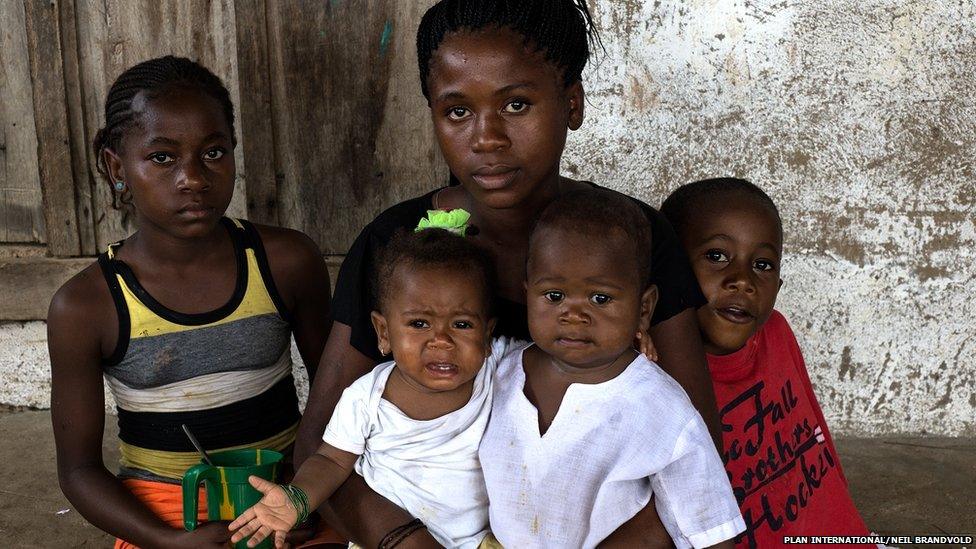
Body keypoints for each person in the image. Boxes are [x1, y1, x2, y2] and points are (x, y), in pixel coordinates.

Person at [296, 1, 719, 544]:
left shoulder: (630, 238)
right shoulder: (397, 245)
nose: (486, 138)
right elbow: (319, 448)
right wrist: (406, 540)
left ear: (572, 103)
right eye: (456, 112)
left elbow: (696, 449)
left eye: (516, 104)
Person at [47, 56, 333, 549]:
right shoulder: (86, 305)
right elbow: (78, 470)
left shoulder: (285, 261)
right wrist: (165, 540)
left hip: (285, 492)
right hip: (160, 511)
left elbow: (342, 397)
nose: (193, 178)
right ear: (117, 167)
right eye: (162, 157)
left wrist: (306, 492)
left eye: (214, 153)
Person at [480, 188, 744, 548]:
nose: (573, 314)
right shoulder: (499, 372)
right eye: (554, 296)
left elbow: (710, 528)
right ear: (528, 294)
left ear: (644, 308)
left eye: (600, 298)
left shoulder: (659, 406)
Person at [228, 227, 508, 549]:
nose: (441, 340)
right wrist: (297, 499)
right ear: (383, 332)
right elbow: (332, 461)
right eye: (419, 324)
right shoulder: (366, 398)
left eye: (461, 324)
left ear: (487, 336)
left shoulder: (499, 373)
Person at [661, 178, 874, 548]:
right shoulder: (654, 374)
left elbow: (815, 436)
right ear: (666, 270)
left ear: (778, 286)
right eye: (716, 256)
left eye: (762, 264)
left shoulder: (775, 332)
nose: (742, 281)